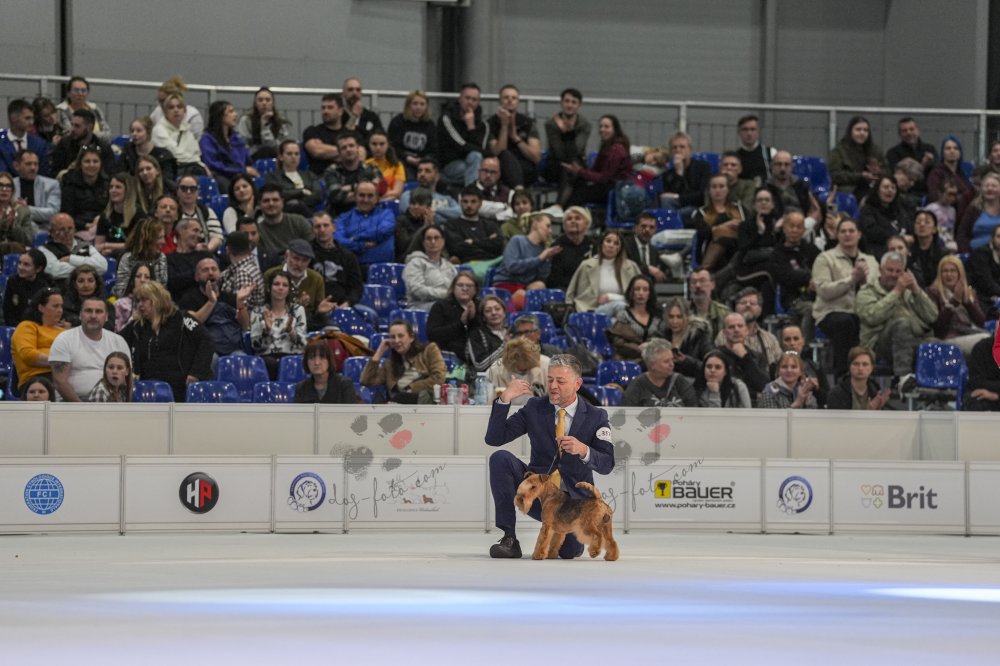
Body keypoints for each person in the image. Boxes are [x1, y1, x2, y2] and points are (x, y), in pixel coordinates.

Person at [485, 353, 615, 559]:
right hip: (539, 494)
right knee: (500, 458)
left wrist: (584, 450)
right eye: (550, 379)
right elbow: (494, 438)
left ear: (577, 384)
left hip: (573, 506)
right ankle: (509, 538)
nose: (553, 386)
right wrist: (504, 399)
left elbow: (607, 464)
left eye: (560, 381)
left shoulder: (596, 416)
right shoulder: (534, 407)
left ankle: (561, 536)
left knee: (569, 552)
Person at [856, 251, 938, 392]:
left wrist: (916, 289)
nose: (894, 275)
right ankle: (903, 377)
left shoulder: (909, 291)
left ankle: (942, 392)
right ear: (880, 270)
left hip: (913, 340)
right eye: (890, 270)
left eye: (898, 271)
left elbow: (932, 316)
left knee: (943, 347)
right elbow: (872, 317)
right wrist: (896, 291)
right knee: (901, 324)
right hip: (878, 345)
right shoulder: (866, 292)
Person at [120, 281, 214, 402]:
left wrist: (196, 372)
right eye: (138, 301)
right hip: (147, 390)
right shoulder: (136, 326)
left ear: (157, 299)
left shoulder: (181, 319)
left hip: (181, 387)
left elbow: (206, 341)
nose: (140, 305)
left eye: (144, 300)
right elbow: (117, 341)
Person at [811, 217, 879, 377]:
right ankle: (843, 376)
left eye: (851, 231)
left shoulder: (871, 261)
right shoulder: (825, 259)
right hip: (831, 312)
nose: (847, 234)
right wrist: (851, 280)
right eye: (843, 231)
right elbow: (824, 291)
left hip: (863, 313)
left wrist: (863, 282)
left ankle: (875, 375)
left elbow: (876, 290)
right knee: (845, 322)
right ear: (836, 235)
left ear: (859, 234)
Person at [49, 296, 130, 402]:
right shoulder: (64, 339)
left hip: (110, 402)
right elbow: (60, 381)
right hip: (71, 403)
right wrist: (83, 408)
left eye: (99, 311)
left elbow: (128, 380)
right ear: (80, 315)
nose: (93, 316)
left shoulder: (119, 341)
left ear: (106, 317)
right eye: (88, 311)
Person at [360, 319, 446, 404]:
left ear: (411, 337)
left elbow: (439, 378)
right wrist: (379, 351)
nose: (396, 341)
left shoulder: (429, 350)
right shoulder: (390, 365)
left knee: (401, 397)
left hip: (423, 401)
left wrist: (411, 388)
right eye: (393, 337)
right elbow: (366, 380)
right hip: (398, 404)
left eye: (400, 336)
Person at [559, 114, 631, 208]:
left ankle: (565, 210)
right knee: (576, 182)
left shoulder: (617, 149)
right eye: (601, 126)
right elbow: (595, 170)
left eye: (606, 127)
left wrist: (580, 171)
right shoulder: (607, 146)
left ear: (615, 129)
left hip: (614, 189)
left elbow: (605, 178)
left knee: (579, 195)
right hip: (606, 185)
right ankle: (560, 207)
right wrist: (578, 172)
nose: (602, 129)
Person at [247, 270, 307, 380]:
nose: (280, 288)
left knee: (291, 363)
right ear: (269, 288)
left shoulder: (297, 310)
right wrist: (266, 330)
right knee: (270, 363)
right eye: (276, 284)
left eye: (285, 285)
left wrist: (290, 331)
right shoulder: (258, 312)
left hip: (292, 356)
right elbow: (255, 346)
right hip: (267, 359)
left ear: (289, 290)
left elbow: (303, 344)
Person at [565, 229, 640, 315]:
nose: (611, 245)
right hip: (590, 311)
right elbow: (570, 293)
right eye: (608, 241)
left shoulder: (631, 267)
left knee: (620, 307)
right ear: (601, 244)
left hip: (622, 312)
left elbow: (639, 295)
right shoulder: (586, 265)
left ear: (620, 248)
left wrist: (611, 297)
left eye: (616, 243)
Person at [927, 254, 989, 356]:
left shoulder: (969, 293)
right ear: (940, 274)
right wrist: (954, 301)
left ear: (960, 274)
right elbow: (938, 327)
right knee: (986, 342)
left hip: (970, 332)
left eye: (953, 271)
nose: (949, 275)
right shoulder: (933, 293)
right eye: (945, 271)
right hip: (948, 338)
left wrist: (967, 302)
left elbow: (981, 322)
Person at [492, 212, 560, 306]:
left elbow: (541, 277)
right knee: (522, 295)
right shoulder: (517, 240)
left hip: (525, 288)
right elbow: (512, 267)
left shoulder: (542, 249)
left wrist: (547, 261)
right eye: (547, 226)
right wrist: (539, 258)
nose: (550, 231)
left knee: (540, 285)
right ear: (535, 224)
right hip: (506, 284)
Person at [11, 287, 69, 394]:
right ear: (41, 308)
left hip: (67, 376)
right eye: (55, 306)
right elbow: (28, 355)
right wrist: (60, 362)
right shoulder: (27, 326)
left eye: (61, 306)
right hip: (37, 379)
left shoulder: (64, 332)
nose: (60, 310)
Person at [308, 212, 364, 318]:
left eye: (326, 225)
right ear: (312, 230)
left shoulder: (348, 256)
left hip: (343, 307)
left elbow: (357, 288)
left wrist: (346, 304)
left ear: (334, 227)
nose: (322, 230)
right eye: (317, 226)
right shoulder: (307, 254)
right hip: (314, 309)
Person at [487, 84, 542, 189]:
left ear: (518, 102)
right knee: (505, 155)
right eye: (506, 97)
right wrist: (504, 126)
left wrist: (516, 138)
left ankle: (518, 192)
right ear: (500, 101)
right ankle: (519, 192)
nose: (510, 100)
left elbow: (536, 157)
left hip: (524, 165)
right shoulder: (490, 123)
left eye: (513, 98)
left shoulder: (527, 123)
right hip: (500, 165)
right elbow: (497, 152)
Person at [199, 99, 259, 193]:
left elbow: (246, 159)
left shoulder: (236, 137)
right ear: (220, 116)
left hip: (240, 174)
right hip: (222, 175)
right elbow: (212, 164)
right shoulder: (207, 139)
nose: (235, 115)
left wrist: (246, 170)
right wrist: (241, 170)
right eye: (230, 112)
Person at [442, 187, 505, 276]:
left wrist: (473, 242)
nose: (469, 205)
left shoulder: (490, 224)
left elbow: (498, 246)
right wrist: (487, 242)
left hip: (492, 263)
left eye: (473, 202)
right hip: (467, 265)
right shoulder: (452, 225)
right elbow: (456, 249)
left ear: (480, 203)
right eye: (465, 201)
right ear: (460, 203)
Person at [333, 180, 395, 268]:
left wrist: (354, 238)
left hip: (382, 267)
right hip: (352, 268)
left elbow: (383, 231)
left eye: (370, 196)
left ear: (377, 198)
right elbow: (338, 240)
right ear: (355, 197)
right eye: (362, 195)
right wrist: (361, 245)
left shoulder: (387, 214)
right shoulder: (344, 218)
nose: (365, 200)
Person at [692, 173, 746, 272]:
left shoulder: (739, 208)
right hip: (711, 249)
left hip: (737, 248)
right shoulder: (701, 212)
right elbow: (704, 233)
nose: (718, 190)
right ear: (709, 190)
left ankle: (703, 270)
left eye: (721, 186)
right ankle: (705, 270)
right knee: (721, 241)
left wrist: (719, 230)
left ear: (728, 189)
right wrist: (725, 226)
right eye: (714, 187)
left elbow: (747, 228)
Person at [437, 83, 489, 187]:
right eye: (467, 98)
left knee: (477, 158)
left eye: (474, 100)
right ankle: (473, 193)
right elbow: (460, 145)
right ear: (460, 99)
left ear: (478, 102)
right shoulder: (447, 119)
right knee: (478, 171)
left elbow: (480, 150)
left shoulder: (483, 124)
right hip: (450, 164)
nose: (470, 102)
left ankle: (470, 191)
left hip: (473, 162)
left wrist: (471, 127)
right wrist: (487, 153)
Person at [622, 338, 697, 407]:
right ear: (652, 365)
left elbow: (694, 410)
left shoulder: (679, 382)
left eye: (672, 359)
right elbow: (627, 413)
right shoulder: (637, 386)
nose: (672, 364)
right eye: (666, 361)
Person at [38, 212, 106, 288]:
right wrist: (90, 268)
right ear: (52, 232)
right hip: (61, 291)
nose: (67, 232)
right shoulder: (45, 250)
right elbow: (55, 271)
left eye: (70, 228)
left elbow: (102, 266)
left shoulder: (85, 245)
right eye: (62, 229)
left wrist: (71, 259)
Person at [542, 87, 590, 192]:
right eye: (567, 101)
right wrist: (569, 134)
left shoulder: (584, 125)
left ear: (579, 105)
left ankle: (562, 202)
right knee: (569, 172)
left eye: (574, 102)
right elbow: (559, 153)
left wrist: (568, 133)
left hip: (577, 162)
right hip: (555, 164)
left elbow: (577, 150)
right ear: (561, 103)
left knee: (576, 172)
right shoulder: (551, 124)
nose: (570, 105)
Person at [426, 271, 479, 366]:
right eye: (460, 285)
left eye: (469, 286)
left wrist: (473, 320)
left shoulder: (481, 307)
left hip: (477, 357)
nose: (464, 288)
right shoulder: (441, 306)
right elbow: (433, 335)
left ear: (475, 290)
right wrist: (461, 324)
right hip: (448, 357)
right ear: (453, 288)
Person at [323, 131, 381, 216]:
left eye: (351, 146)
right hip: (341, 216)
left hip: (371, 216)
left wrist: (349, 188)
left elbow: (380, 192)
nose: (348, 149)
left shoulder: (372, 169)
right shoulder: (332, 171)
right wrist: (368, 192)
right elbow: (336, 197)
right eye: (344, 147)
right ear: (339, 152)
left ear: (358, 148)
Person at [828, 115, 886, 200]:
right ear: (850, 131)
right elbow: (834, 175)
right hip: (850, 189)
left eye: (865, 130)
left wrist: (878, 171)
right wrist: (860, 176)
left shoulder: (875, 150)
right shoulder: (839, 151)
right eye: (858, 130)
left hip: (874, 187)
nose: (862, 133)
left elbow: (887, 170)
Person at [714, 312, 770, 399]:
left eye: (740, 326)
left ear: (746, 331)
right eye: (731, 327)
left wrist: (745, 358)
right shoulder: (716, 355)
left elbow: (764, 386)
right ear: (724, 332)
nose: (736, 330)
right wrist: (754, 394)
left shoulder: (758, 357)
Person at [607, 275, 662, 362]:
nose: (641, 293)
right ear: (631, 293)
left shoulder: (657, 316)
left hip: (655, 359)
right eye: (637, 289)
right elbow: (618, 342)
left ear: (650, 294)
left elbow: (664, 338)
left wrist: (650, 346)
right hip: (630, 359)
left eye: (645, 290)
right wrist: (638, 348)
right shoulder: (624, 315)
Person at [255, 184, 313, 266]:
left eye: (275, 200)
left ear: (282, 202)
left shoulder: (299, 221)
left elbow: (312, 248)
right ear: (259, 204)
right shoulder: (256, 231)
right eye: (266, 201)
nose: (271, 204)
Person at [151, 93, 208, 177]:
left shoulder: (188, 130)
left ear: (184, 111)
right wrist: (194, 161)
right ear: (165, 112)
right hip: (170, 171)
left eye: (179, 107)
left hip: (191, 168)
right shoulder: (158, 130)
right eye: (171, 107)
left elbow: (196, 154)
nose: (176, 110)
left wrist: (203, 166)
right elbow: (175, 155)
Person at [402, 224, 457, 311]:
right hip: (420, 306)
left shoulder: (449, 266)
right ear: (423, 243)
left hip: (446, 304)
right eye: (428, 238)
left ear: (443, 241)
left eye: (436, 238)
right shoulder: (415, 263)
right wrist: (445, 295)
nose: (433, 241)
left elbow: (456, 288)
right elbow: (417, 290)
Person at [263, 140, 323, 217]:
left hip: (308, 210)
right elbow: (277, 195)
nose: (293, 157)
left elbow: (318, 195)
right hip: (285, 213)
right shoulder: (273, 177)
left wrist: (299, 201)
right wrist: (301, 192)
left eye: (296, 154)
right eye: (289, 154)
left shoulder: (309, 175)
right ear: (281, 157)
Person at [485, 335, 549, 406]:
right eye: (521, 370)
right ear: (508, 364)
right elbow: (487, 405)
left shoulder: (546, 366)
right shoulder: (494, 371)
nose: (525, 372)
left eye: (528, 368)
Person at [59, 145, 109, 237]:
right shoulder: (69, 184)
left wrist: (100, 220)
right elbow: (67, 214)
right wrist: (85, 225)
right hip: (76, 229)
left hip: (103, 228)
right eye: (87, 161)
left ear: (101, 164)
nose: (91, 165)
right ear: (80, 164)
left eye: (95, 161)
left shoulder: (108, 184)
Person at [659, 132, 713, 216]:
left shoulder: (703, 167)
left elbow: (703, 195)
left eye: (682, 147)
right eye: (674, 147)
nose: (678, 150)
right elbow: (668, 198)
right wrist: (679, 174)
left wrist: (678, 197)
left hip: (697, 207)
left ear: (690, 149)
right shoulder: (667, 174)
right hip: (677, 208)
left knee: (680, 213)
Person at [387, 90, 437, 180]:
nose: (418, 107)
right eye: (415, 104)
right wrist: (407, 157)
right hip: (402, 160)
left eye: (422, 104)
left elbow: (433, 149)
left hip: (423, 161)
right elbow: (393, 146)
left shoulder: (430, 125)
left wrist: (423, 160)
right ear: (408, 105)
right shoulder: (398, 122)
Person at [49, 108, 114, 176]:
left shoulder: (103, 147)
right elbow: (54, 173)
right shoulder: (64, 144)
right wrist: (66, 172)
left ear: (90, 127)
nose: (72, 129)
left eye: (77, 126)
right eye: (72, 125)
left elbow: (110, 174)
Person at [293, 338, 360, 404]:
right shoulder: (301, 388)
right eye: (312, 358)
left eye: (322, 357)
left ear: (329, 361)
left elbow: (351, 411)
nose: (317, 363)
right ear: (306, 362)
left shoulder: (344, 385)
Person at [858, 175, 911, 259]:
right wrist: (898, 237)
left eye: (893, 188)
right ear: (877, 190)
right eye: (886, 187)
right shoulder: (868, 210)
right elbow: (872, 231)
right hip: (878, 251)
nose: (890, 190)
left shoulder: (900, 209)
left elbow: (908, 227)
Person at [661, 296, 712, 379]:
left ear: (687, 316)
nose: (675, 321)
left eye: (679, 317)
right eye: (671, 317)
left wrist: (686, 361)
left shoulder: (700, 336)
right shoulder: (662, 335)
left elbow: (710, 366)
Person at [826, 346, 892, 410]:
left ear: (872, 367)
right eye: (856, 364)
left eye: (865, 364)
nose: (860, 368)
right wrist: (869, 411)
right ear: (849, 366)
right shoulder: (836, 394)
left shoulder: (875, 392)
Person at [113, 220, 168, 297]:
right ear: (147, 239)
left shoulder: (161, 257)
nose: (164, 242)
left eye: (163, 237)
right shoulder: (128, 258)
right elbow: (120, 292)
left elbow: (162, 291)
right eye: (159, 238)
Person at [236, 87, 293, 160]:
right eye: (260, 100)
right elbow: (242, 144)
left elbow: (280, 148)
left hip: (275, 157)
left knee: (267, 151)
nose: (264, 103)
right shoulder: (246, 120)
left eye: (268, 100)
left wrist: (265, 126)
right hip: (251, 158)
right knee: (264, 151)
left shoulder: (280, 122)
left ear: (273, 103)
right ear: (255, 104)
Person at [547, 206, 596, 292]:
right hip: (564, 289)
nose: (573, 221)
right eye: (569, 219)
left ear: (586, 223)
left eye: (577, 218)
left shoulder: (593, 245)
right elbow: (554, 280)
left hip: (588, 289)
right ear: (564, 225)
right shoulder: (557, 246)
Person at [93, 173, 142, 258]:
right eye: (111, 187)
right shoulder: (105, 215)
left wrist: (108, 246)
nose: (113, 190)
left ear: (128, 190)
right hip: (107, 257)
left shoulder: (138, 214)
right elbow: (98, 246)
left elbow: (138, 245)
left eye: (118, 187)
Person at [117, 116, 177, 184]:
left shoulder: (163, 155)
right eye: (132, 131)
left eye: (139, 131)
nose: (134, 134)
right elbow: (119, 175)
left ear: (148, 133)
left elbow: (167, 180)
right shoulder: (128, 152)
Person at [766, 150, 820, 222]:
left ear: (792, 167)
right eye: (779, 164)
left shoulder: (802, 187)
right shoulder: (765, 188)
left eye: (786, 165)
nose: (782, 168)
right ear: (772, 166)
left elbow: (814, 209)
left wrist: (807, 224)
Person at [2, 250, 52, 326]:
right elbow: (8, 310)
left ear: (38, 269)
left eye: (26, 265)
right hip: (15, 325)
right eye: (19, 263)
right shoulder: (13, 281)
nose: (20, 267)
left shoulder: (46, 286)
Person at [1, 99, 49, 178]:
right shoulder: (1, 143)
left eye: (32, 118)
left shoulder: (40, 144)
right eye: (27, 118)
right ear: (13, 118)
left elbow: (43, 174)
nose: (31, 122)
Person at [12, 149, 61, 228]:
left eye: (36, 164)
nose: (33, 168)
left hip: (44, 229)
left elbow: (53, 212)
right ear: (16, 166)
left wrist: (25, 209)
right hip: (14, 228)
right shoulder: (9, 184)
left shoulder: (52, 184)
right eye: (28, 164)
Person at [302, 93, 348, 175]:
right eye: (323, 108)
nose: (325, 111)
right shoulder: (312, 131)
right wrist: (347, 152)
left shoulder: (350, 133)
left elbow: (360, 154)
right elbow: (317, 151)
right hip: (318, 178)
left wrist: (327, 153)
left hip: (346, 177)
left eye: (330, 107)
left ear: (341, 111)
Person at [957, 172, 1000, 253]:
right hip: (974, 254)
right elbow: (962, 234)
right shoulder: (973, 210)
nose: (989, 188)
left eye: (994, 186)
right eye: (986, 186)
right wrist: (966, 251)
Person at [466, 295, 510, 372]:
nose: (493, 313)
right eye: (488, 311)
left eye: (497, 309)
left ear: (504, 313)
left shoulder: (513, 332)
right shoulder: (476, 334)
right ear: (483, 317)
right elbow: (479, 365)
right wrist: (504, 347)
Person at [926, 135, 973, 208]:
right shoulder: (936, 173)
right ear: (943, 153)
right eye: (948, 148)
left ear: (960, 153)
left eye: (956, 148)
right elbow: (933, 195)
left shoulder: (963, 173)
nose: (952, 151)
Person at [624, 212, 670, 283]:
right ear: (635, 228)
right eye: (643, 226)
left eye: (651, 227)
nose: (647, 230)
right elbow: (625, 268)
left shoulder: (654, 251)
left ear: (655, 230)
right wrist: (647, 269)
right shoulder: (625, 245)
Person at [968, 223, 1000, 317]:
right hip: (983, 298)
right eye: (999, 236)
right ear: (992, 238)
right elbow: (986, 283)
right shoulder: (981, 254)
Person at [687, 269, 731, 339]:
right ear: (689, 287)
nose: (698, 286)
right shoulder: (683, 312)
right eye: (694, 282)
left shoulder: (724, 313)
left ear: (712, 285)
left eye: (702, 281)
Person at [341, 77, 384, 145]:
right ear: (343, 93)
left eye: (358, 90)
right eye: (350, 90)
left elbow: (381, 137)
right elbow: (342, 137)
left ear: (361, 93)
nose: (354, 93)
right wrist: (354, 116)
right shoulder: (339, 115)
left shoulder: (371, 116)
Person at [365, 130, 405, 201]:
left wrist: (378, 198)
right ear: (369, 145)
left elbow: (397, 192)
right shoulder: (365, 164)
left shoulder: (397, 165)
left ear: (388, 145)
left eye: (382, 144)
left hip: (390, 201)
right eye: (374, 144)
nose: (378, 147)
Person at [734, 114, 774, 185]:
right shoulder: (734, 157)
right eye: (745, 129)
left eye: (752, 129)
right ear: (739, 132)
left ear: (759, 132)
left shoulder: (771, 153)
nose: (749, 133)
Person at [113, 261, 152, 332]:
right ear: (132, 280)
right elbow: (115, 334)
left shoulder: (157, 304)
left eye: (147, 277)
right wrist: (132, 319)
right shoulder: (120, 304)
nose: (142, 280)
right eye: (138, 276)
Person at [964, 336, 1000, 411]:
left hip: (994, 393)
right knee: (975, 401)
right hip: (983, 392)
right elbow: (976, 381)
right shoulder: (981, 348)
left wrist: (997, 396)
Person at [0, 170, 33, 247]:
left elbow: (28, 241)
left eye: (8, 186)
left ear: (13, 190)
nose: (4, 189)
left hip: (15, 251)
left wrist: (12, 226)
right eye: (0, 185)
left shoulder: (22, 211)